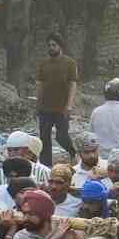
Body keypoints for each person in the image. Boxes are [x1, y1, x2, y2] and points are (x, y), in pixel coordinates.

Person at [36, 34, 78, 165]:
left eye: (54, 45)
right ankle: (46, 166)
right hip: (45, 108)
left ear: (60, 46)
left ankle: (73, 152)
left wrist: (69, 105)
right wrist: (38, 104)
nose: (51, 47)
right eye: (49, 45)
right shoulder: (43, 63)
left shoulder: (70, 63)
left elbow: (72, 85)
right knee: (44, 139)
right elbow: (40, 85)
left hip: (62, 108)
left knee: (62, 137)